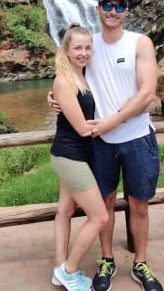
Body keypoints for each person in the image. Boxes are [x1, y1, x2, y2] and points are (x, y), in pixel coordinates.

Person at [48, 0, 164, 291]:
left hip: (137, 137)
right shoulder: (89, 46)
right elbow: (69, 78)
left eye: (119, 6)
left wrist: (115, 119)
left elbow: (148, 93)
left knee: (139, 204)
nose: (113, 11)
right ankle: (107, 259)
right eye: (107, 6)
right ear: (97, 9)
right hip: (99, 142)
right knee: (106, 203)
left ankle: (141, 262)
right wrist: (54, 95)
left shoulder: (140, 43)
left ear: (127, 11)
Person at [49, 23, 109, 291]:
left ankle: (59, 270)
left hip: (75, 155)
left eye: (87, 47)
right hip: (70, 156)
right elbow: (83, 129)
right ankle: (69, 270)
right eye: (77, 48)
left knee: (65, 210)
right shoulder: (64, 81)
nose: (83, 52)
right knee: (99, 218)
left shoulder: (82, 75)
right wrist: (117, 121)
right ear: (66, 50)